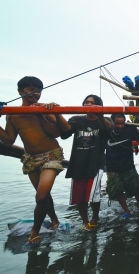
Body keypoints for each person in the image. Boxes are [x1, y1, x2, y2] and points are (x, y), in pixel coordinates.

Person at [0, 76, 64, 246]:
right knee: (43, 196)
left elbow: (56, 133)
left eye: (38, 90)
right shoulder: (13, 115)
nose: (35, 93)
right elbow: (8, 140)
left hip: (51, 155)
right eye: (30, 89)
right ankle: (54, 219)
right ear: (20, 91)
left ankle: (35, 231)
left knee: (41, 195)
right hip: (30, 158)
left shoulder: (45, 109)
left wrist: (42, 113)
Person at [55, 95, 111, 231]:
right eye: (86, 102)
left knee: (94, 194)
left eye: (93, 103)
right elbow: (66, 130)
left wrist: (101, 114)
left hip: (96, 163)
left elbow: (110, 130)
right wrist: (57, 113)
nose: (89, 105)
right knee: (79, 196)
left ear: (99, 105)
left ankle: (95, 218)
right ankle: (85, 221)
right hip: (78, 162)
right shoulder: (77, 120)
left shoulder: (105, 120)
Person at [105, 114, 139, 218]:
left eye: (122, 123)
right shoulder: (106, 132)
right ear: (112, 123)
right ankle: (127, 211)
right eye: (117, 123)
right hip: (112, 167)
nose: (120, 126)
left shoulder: (129, 129)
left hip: (128, 165)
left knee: (137, 188)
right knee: (116, 190)